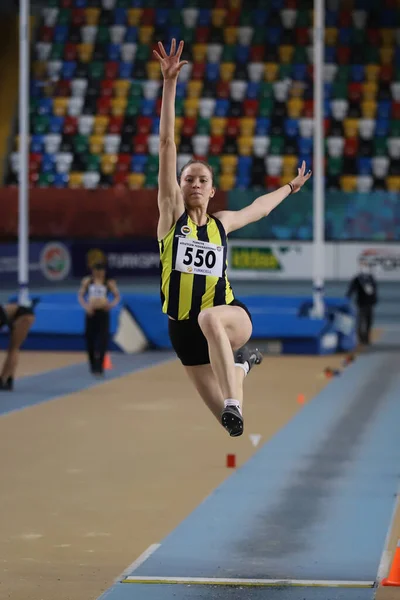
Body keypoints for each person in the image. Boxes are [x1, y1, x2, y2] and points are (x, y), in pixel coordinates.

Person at [153, 39, 312, 437]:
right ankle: (240, 367)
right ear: (178, 185)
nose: (193, 183)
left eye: (201, 180)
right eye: (187, 178)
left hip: (227, 315)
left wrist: (290, 188)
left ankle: (235, 387)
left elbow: (260, 208)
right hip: (181, 330)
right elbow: (167, 145)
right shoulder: (170, 219)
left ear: (212, 190)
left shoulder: (220, 224)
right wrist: (169, 84)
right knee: (230, 425)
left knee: (210, 321)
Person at [78, 263, 120, 375]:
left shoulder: (109, 283)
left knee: (103, 340)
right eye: (97, 271)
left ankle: (100, 366)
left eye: (101, 271)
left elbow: (117, 296)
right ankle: (92, 364)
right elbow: (81, 295)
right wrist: (86, 307)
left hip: (103, 312)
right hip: (91, 313)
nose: (99, 274)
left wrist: (110, 305)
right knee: (90, 339)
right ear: (93, 271)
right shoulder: (88, 281)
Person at [0, 302, 35, 391]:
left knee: (13, 348)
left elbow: (5, 320)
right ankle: (7, 379)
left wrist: (11, 326)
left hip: (24, 315)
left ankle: (4, 380)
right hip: (17, 315)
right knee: (13, 349)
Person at [346, 258, 378, 346]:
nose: (364, 267)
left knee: (369, 322)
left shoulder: (371, 278)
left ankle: (367, 338)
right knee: (360, 322)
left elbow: (374, 290)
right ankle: (361, 338)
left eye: (365, 265)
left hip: (370, 304)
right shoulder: (357, 279)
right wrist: (347, 298)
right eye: (362, 265)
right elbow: (351, 289)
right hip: (361, 303)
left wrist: (374, 300)